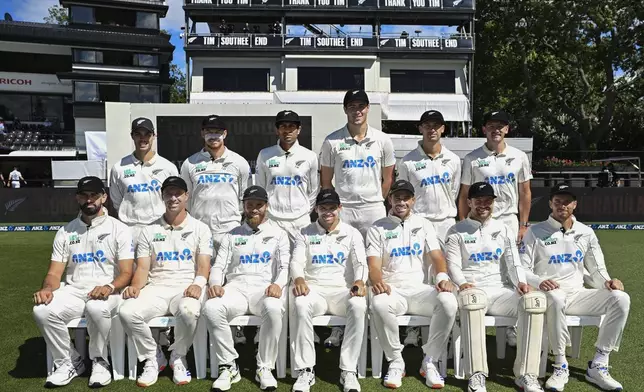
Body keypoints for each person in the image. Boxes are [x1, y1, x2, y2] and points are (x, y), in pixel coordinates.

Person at [520, 184, 631, 392]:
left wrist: (608, 282)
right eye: (557, 201)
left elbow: (596, 268)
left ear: (574, 204)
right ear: (550, 203)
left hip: (578, 294)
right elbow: (522, 268)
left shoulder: (585, 232)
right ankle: (560, 365)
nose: (562, 205)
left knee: (620, 298)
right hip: (550, 295)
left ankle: (599, 363)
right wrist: (538, 282)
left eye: (567, 201)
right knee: (557, 297)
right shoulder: (535, 231)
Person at [32, 176, 134, 388]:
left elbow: (126, 272)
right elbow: (54, 273)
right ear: (77, 198)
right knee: (41, 310)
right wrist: (47, 288)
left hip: (110, 293)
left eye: (94, 195)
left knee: (96, 307)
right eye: (84, 195)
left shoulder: (119, 229)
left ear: (103, 197)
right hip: (75, 291)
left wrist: (109, 287)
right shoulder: (66, 231)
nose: (89, 200)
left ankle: (100, 361)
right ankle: (69, 361)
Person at [445, 182, 545, 392]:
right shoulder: (456, 230)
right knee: (473, 301)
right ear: (469, 202)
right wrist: (462, 283)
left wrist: (521, 283)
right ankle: (477, 374)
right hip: (470, 289)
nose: (483, 204)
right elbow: (452, 264)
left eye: (488, 201)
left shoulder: (503, 229)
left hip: (499, 290)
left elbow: (513, 261)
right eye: (478, 200)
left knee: (534, 301)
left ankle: (527, 374)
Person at [119, 176, 213, 387]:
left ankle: (178, 356)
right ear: (162, 196)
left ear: (186, 196)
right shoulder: (149, 230)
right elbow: (143, 268)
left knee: (189, 310)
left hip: (186, 287)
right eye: (168, 193)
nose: (173, 198)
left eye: (178, 193)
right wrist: (135, 286)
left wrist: (198, 284)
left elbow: (204, 265)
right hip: (156, 288)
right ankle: (153, 357)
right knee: (127, 311)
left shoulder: (200, 228)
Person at [319, 89, 396, 346]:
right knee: (346, 264)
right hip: (344, 209)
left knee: (377, 261)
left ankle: (378, 317)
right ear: (345, 110)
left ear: (368, 109)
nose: (357, 111)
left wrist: (374, 199)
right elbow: (326, 181)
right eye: (352, 106)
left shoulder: (383, 140)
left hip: (373, 208)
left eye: (361, 106)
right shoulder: (332, 141)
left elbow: (388, 179)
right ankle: (342, 324)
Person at [366, 179, 457, 389]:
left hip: (419, 289)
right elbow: (373, 264)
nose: (401, 202)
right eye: (397, 197)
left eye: (406, 198)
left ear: (413, 200)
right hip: (393, 291)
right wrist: (378, 281)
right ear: (390, 199)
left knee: (448, 302)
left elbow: (436, 256)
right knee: (379, 303)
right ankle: (396, 361)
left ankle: (430, 360)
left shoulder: (424, 224)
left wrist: (442, 276)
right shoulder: (377, 227)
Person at [204, 185, 290, 391]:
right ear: (243, 206)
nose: (254, 209)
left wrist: (278, 284)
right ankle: (229, 365)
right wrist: (215, 283)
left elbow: (285, 266)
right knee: (212, 308)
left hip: (264, 288)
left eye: (258, 205)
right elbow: (219, 266)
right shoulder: (232, 234)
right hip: (237, 288)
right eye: (249, 205)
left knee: (274, 308)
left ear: (266, 206)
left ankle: (265, 366)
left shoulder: (279, 234)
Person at [458, 110, 532, 347]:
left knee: (511, 272)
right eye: (491, 125)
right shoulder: (472, 158)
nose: (496, 130)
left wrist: (523, 224)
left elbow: (525, 192)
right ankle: (467, 320)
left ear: (507, 129)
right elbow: (463, 194)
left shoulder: (519, 156)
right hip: (479, 221)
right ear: (484, 130)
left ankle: (510, 326)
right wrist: (463, 222)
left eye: (500, 125)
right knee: (479, 267)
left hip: (508, 219)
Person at [290, 188, 368, 392]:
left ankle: (348, 370)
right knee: (300, 302)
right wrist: (298, 278)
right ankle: (306, 369)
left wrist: (360, 281)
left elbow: (361, 263)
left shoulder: (352, 233)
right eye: (323, 208)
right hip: (314, 292)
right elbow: (296, 261)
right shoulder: (305, 232)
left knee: (358, 305)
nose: (328, 212)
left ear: (339, 208)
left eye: (332, 208)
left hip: (341, 291)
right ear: (316, 209)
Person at [396, 110, 461, 347]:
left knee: (448, 273)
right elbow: (404, 193)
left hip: (445, 222)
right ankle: (414, 328)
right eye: (427, 125)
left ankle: (451, 323)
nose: (432, 129)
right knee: (420, 273)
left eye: (436, 125)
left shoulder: (453, 159)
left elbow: (453, 192)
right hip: (418, 223)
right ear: (420, 128)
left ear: (443, 128)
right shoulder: (409, 161)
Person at [180, 115, 251, 251]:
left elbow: (244, 196)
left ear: (225, 134)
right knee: (201, 271)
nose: (213, 136)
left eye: (217, 132)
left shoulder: (239, 162)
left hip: (231, 228)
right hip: (200, 229)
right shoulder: (189, 163)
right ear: (202, 133)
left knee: (230, 271)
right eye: (209, 132)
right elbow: (186, 199)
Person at [256, 110, 319, 244]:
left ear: (299, 130)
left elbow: (313, 190)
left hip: (300, 220)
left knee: (300, 261)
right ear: (277, 130)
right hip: (273, 219)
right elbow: (260, 188)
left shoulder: (309, 156)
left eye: (292, 127)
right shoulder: (265, 154)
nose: (287, 131)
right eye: (283, 126)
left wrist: (305, 211)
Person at [109, 117, 178, 240]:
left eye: (147, 134)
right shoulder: (118, 168)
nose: (143, 138)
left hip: (159, 228)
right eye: (138, 134)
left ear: (154, 136)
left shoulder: (168, 167)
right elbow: (117, 203)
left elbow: (174, 200)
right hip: (129, 231)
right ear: (132, 136)